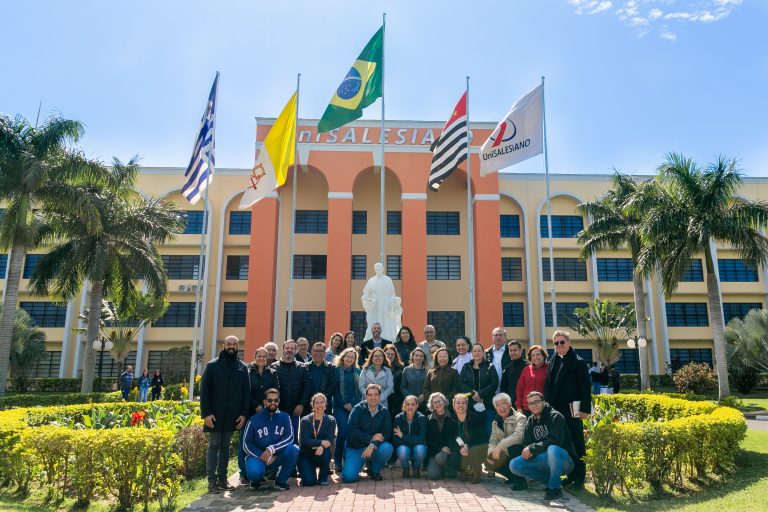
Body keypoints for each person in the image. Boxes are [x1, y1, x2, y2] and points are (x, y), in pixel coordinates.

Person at [200, 335, 250, 493]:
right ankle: (211, 481)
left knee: (225, 446)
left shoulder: (242, 367)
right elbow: (204, 391)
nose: (232, 346)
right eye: (229, 343)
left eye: (234, 344)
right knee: (214, 445)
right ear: (223, 345)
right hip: (214, 415)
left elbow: (246, 393)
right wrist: (206, 414)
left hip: (233, 416)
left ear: (237, 347)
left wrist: (243, 414)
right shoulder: (212, 365)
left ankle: (223, 479)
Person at [544, 330, 591, 490]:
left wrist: (585, 409)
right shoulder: (552, 360)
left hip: (572, 409)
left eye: (562, 342)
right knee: (563, 443)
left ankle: (580, 477)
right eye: (556, 343)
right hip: (556, 410)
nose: (559, 345)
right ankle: (570, 475)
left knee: (577, 442)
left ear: (569, 342)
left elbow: (585, 387)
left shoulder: (578, 362)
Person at [509, 392, 577, 501]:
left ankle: (554, 489)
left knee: (552, 449)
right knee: (514, 465)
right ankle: (550, 480)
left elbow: (555, 441)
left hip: (564, 460)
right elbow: (527, 443)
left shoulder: (555, 416)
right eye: (530, 403)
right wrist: (528, 450)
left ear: (544, 402)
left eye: (536, 402)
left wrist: (532, 448)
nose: (533, 405)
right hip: (543, 459)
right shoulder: (531, 420)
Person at [242, 388, 300, 491]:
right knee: (255, 473)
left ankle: (281, 481)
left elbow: (289, 437)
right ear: (264, 401)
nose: (273, 403)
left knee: (294, 449)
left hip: (276, 456)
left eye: (276, 400)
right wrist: (263, 455)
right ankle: (256, 480)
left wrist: (272, 449)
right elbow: (246, 444)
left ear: (279, 401)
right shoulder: (254, 419)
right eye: (269, 400)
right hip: (258, 457)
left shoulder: (285, 417)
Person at [238, 347, 279, 484]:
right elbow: (244, 392)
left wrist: (267, 405)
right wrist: (256, 405)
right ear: (255, 356)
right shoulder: (247, 371)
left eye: (264, 356)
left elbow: (275, 391)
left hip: (267, 414)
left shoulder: (272, 373)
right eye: (259, 356)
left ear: (267, 358)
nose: (261, 358)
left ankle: (264, 471)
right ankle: (244, 473)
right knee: (245, 442)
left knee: (264, 441)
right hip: (250, 412)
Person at [342, 384, 394, 483]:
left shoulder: (384, 412)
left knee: (387, 448)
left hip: (374, 447)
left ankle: (374, 470)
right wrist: (371, 438)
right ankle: (357, 463)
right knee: (348, 477)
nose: (373, 397)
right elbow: (352, 431)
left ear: (379, 396)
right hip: (356, 447)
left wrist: (372, 445)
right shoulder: (357, 409)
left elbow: (386, 433)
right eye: (370, 395)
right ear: (366, 396)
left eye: (376, 395)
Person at [485, 392, 527, 489]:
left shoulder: (520, 418)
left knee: (514, 447)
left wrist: (500, 446)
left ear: (510, 404)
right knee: (488, 460)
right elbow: (493, 441)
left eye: (504, 403)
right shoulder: (495, 421)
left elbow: (518, 437)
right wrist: (490, 454)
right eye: (497, 405)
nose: (501, 408)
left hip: (521, 453)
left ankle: (521, 481)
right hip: (505, 453)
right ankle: (513, 477)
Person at [271, 339, 310, 439]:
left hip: (295, 411)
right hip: (278, 410)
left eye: (292, 348)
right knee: (277, 437)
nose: (290, 350)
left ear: (295, 351)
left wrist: (301, 404)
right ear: (283, 350)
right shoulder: (273, 367)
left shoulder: (302, 368)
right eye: (287, 348)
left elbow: (307, 388)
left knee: (293, 437)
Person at [458, 343, 499, 436]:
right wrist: (473, 394)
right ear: (471, 353)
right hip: (470, 406)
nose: (477, 353)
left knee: (489, 431)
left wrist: (480, 394)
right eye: (475, 351)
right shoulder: (466, 366)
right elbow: (460, 383)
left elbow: (494, 384)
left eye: (479, 351)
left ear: (483, 352)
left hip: (487, 405)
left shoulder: (490, 366)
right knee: (473, 433)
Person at [298, 393, 337, 486]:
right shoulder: (305, 420)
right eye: (317, 403)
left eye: (322, 402)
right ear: (313, 405)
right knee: (309, 482)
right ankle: (306, 472)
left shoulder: (331, 420)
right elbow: (305, 441)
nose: (320, 405)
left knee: (326, 452)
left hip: (321, 452)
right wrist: (321, 442)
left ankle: (323, 477)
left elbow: (329, 440)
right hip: (306, 454)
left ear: (325, 404)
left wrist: (322, 446)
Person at [333, 347, 361, 471]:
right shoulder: (336, 371)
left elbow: (361, 390)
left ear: (354, 359)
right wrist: (343, 403)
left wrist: (353, 403)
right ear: (343, 357)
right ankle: (337, 461)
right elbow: (334, 390)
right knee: (343, 431)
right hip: (340, 406)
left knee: (351, 433)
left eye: (352, 357)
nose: (349, 359)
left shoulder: (358, 371)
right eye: (347, 356)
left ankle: (348, 459)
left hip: (354, 407)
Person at [452, 393, 487, 484]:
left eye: (463, 403)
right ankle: (463, 469)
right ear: (454, 405)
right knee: (453, 457)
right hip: (460, 446)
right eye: (458, 403)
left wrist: (469, 446)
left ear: (467, 405)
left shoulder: (475, 417)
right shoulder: (451, 419)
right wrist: (460, 447)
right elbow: (451, 437)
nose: (461, 405)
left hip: (475, 446)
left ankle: (477, 470)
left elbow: (482, 437)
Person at [425, 392, 460, 480]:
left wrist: (450, 447)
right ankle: (442, 468)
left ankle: (450, 467)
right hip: (435, 452)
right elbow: (429, 440)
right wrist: (441, 448)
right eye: (434, 403)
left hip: (451, 451)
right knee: (433, 476)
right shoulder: (428, 420)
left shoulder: (454, 417)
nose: (437, 404)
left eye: (439, 401)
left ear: (444, 402)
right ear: (432, 406)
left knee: (441, 458)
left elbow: (458, 436)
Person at [361, 262, 399, 341]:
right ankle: (373, 338)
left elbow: (392, 293)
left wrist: (392, 303)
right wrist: (368, 300)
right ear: (375, 269)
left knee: (386, 322)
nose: (378, 270)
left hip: (385, 304)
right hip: (375, 305)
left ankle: (387, 338)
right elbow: (365, 293)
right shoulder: (371, 280)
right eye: (377, 268)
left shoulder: (388, 279)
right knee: (374, 321)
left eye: (380, 268)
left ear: (383, 269)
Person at [392, 395, 427, 478]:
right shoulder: (398, 418)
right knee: (402, 450)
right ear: (404, 405)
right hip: (404, 446)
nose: (410, 407)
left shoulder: (422, 418)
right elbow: (395, 439)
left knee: (421, 449)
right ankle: (405, 468)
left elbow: (422, 439)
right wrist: (411, 441)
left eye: (413, 404)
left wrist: (403, 436)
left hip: (417, 446)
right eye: (408, 404)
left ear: (417, 406)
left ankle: (416, 467)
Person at [515, 345, 548, 416]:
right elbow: (519, 389)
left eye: (538, 354)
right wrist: (519, 407)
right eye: (533, 355)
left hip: (543, 408)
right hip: (527, 408)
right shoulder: (526, 369)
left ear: (543, 356)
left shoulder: (549, 369)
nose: (535, 357)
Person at [307, 342, 339, 414]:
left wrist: (320, 401)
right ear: (312, 352)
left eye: (321, 351)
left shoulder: (331, 367)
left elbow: (332, 386)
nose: (318, 353)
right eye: (316, 351)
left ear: (325, 353)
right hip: (308, 405)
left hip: (325, 405)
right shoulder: (305, 367)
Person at [401, 348, 428, 412]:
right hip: (409, 403)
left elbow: (429, 387)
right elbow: (402, 387)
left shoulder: (427, 371)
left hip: (424, 403)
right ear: (412, 357)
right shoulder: (406, 370)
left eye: (421, 356)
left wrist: (424, 395)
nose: (419, 358)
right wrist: (412, 397)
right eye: (416, 355)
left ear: (424, 358)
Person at [384, 345, 405, 418]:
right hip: (384, 398)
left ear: (395, 355)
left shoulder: (401, 367)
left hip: (397, 399)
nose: (390, 356)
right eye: (388, 354)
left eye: (392, 354)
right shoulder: (380, 366)